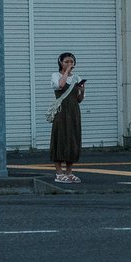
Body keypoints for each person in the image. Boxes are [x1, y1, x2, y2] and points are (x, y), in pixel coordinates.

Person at [50, 51, 85, 183]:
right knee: (60, 139)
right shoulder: (55, 75)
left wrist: (82, 90)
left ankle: (69, 172)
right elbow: (60, 85)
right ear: (60, 63)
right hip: (61, 112)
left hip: (74, 112)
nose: (70, 64)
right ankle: (59, 173)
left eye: (71, 62)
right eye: (66, 62)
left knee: (73, 140)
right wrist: (66, 72)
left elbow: (80, 99)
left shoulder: (77, 77)